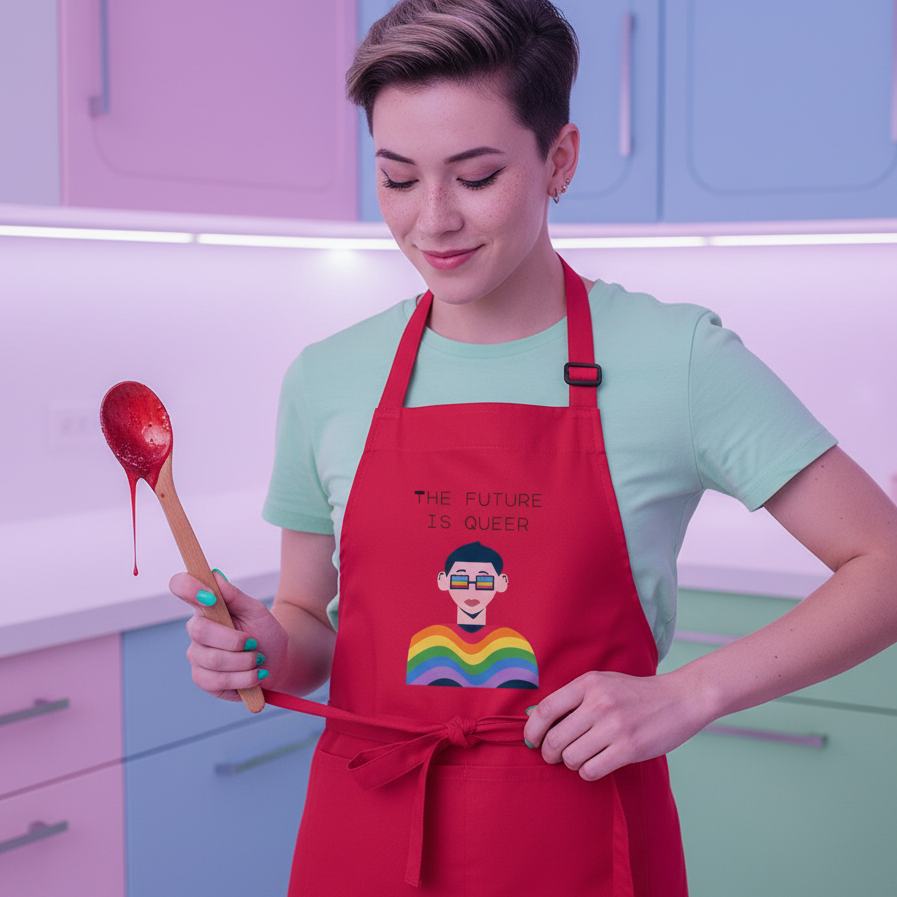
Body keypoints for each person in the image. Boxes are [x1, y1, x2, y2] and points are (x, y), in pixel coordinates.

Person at [169, 1, 897, 894]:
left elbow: (884, 562)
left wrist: (689, 693)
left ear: (559, 161)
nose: (431, 220)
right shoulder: (328, 376)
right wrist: (262, 649)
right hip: (361, 833)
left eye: (474, 176)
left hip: (581, 846)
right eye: (397, 179)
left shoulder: (679, 358)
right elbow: (307, 622)